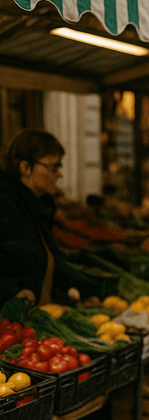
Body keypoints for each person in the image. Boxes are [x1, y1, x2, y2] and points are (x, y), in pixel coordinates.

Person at [0, 129, 68, 305]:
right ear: (25, 168)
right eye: (52, 166)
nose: (58, 174)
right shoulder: (7, 207)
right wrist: (13, 291)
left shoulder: (35, 208)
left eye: (58, 166)